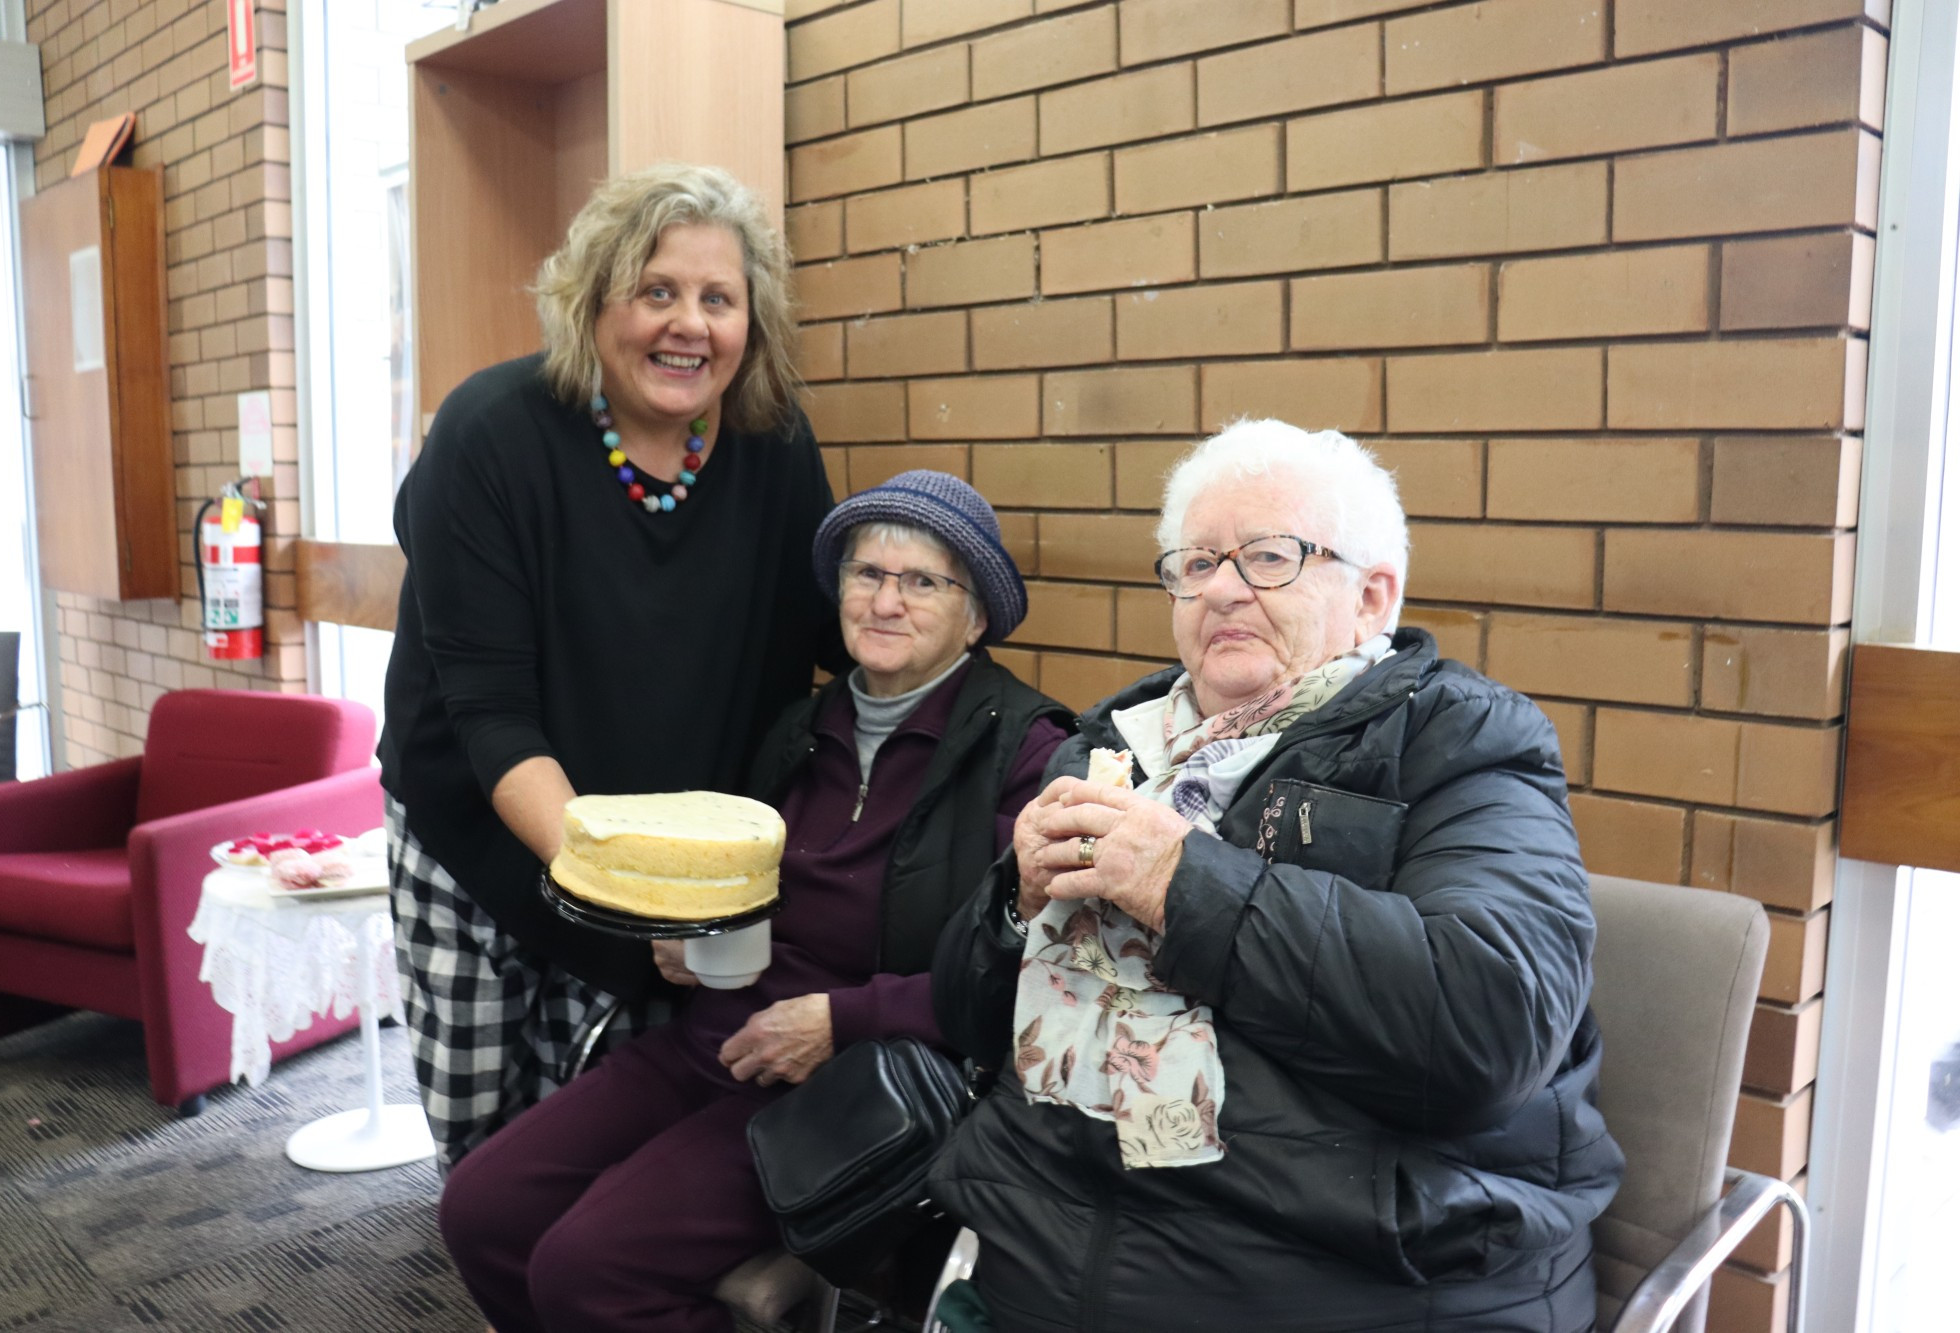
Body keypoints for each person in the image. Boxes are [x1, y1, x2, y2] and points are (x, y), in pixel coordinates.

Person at [929, 420, 1625, 1332]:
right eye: (1196, 562)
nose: (1221, 589)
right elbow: (966, 1018)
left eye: (1268, 557)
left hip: (1345, 1276)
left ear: (1372, 597)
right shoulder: (1119, 742)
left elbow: (1490, 1022)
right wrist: (1011, 911)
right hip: (1039, 1252)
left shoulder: (1462, 742)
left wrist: (1180, 880)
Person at [436, 472, 1075, 1333]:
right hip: (712, 1037)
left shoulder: (1027, 752)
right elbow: (744, 884)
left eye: (923, 581)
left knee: (585, 1270)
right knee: (481, 1207)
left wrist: (842, 1020)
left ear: (977, 614)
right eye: (865, 574)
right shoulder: (801, 727)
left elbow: (1028, 973)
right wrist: (688, 938)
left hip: (848, 1081)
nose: (886, 600)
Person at [379, 164, 842, 1167]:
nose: (689, 325)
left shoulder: (773, 444)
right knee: (480, 1129)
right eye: (656, 290)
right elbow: (490, 715)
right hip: (483, 819)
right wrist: (627, 900)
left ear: (749, 325)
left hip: (650, 845)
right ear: (590, 304)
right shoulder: (491, 432)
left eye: (718, 299)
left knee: (589, 1131)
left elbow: (834, 646)